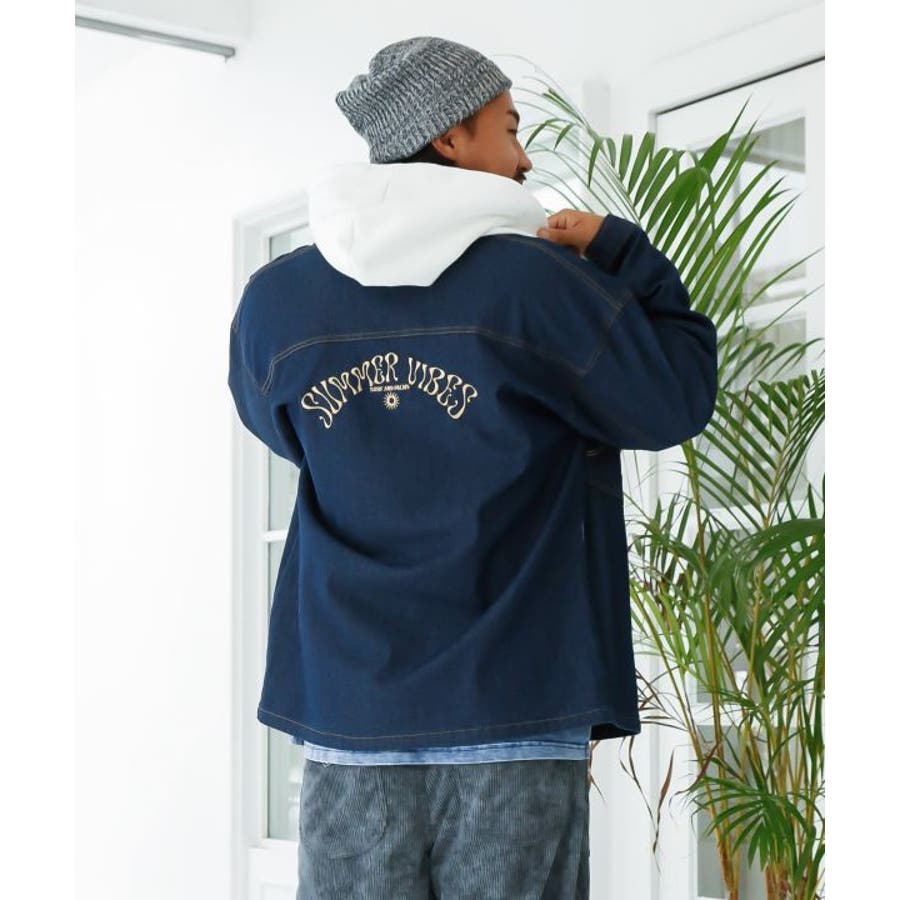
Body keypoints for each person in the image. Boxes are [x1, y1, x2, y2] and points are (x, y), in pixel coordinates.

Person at [228, 35, 719, 900]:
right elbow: (673, 400)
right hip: (513, 697)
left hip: (351, 705)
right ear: (450, 138)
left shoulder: (277, 300)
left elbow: (280, 429)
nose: (524, 159)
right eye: (510, 128)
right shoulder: (539, 285)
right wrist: (624, 253)